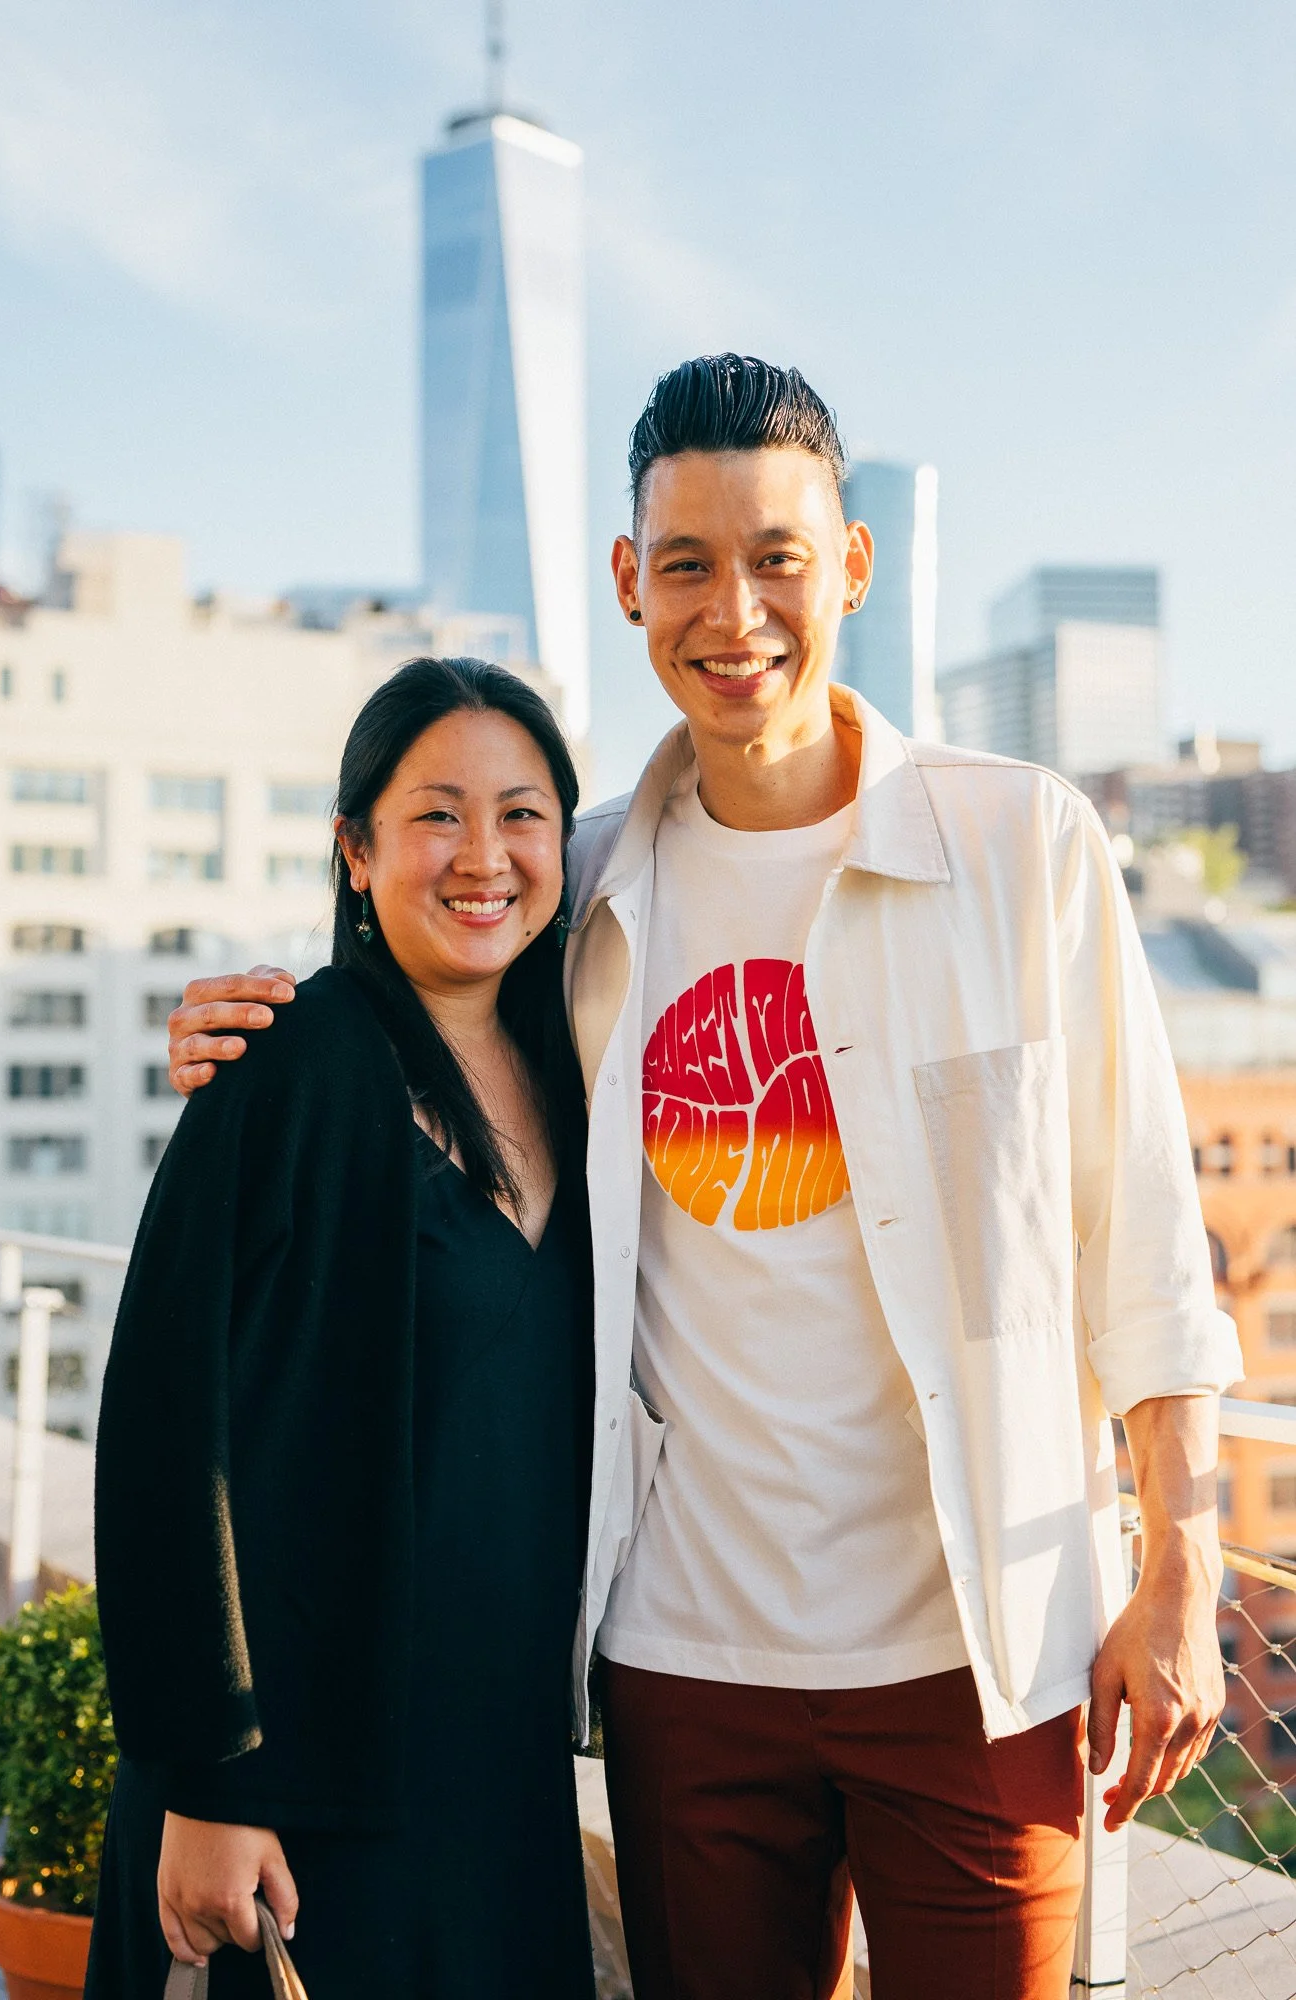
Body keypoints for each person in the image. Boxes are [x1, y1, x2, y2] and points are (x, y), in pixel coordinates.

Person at [168, 356, 1243, 2000]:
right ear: (628, 584)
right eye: (685, 564)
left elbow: (1146, 1243)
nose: (731, 612)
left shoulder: (1023, 848)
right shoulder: (580, 878)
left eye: (776, 558)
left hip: (976, 1656)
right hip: (684, 1659)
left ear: (853, 567)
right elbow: (424, 980)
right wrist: (259, 1024)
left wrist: (1180, 1563)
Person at [88, 658, 596, 1999]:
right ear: (354, 848)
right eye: (435, 813)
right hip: (297, 1789)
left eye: (521, 814)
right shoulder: (292, 1064)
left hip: (495, 1773)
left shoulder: (585, 1066)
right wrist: (209, 1781)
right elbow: (161, 1436)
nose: (481, 856)